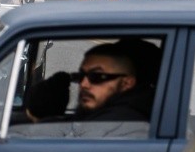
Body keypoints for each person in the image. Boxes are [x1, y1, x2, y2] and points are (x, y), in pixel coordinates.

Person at [26, 41, 156, 122]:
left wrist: (41, 119)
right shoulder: (99, 115)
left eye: (97, 77)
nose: (84, 84)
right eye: (81, 76)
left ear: (126, 83)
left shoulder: (121, 122)